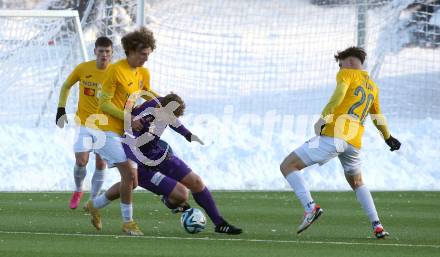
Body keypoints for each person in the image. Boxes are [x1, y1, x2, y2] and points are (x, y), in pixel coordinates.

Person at [280, 46, 401, 239]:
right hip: (353, 144)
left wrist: (323, 118)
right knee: (358, 182)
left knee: (288, 165)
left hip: (333, 137)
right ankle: (377, 225)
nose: (339, 69)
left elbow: (339, 96)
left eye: (340, 64)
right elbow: (377, 115)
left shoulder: (346, 74)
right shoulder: (372, 86)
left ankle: (310, 207)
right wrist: (388, 137)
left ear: (350, 62)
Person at [120, 93, 243, 234]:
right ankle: (97, 204)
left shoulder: (165, 106)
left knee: (196, 182)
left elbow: (174, 123)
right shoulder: (143, 117)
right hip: (140, 167)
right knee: (181, 195)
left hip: (157, 153)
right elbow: (127, 145)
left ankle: (220, 223)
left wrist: (187, 134)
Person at [84, 27, 160, 236]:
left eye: (148, 54)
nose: (146, 58)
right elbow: (104, 103)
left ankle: (95, 205)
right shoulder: (115, 70)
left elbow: (146, 93)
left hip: (126, 133)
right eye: (143, 53)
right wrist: (129, 118)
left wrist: (164, 102)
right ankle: (128, 223)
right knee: (128, 174)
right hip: (106, 130)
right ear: (131, 50)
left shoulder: (143, 72)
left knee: (133, 182)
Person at [55, 36, 113, 209]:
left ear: (111, 53)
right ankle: (79, 188)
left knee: (101, 162)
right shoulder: (83, 68)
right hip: (84, 123)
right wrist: (60, 109)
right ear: (95, 51)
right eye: (101, 51)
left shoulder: (116, 73)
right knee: (81, 161)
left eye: (107, 51)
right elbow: (66, 86)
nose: (104, 54)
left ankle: (93, 199)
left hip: (105, 125)